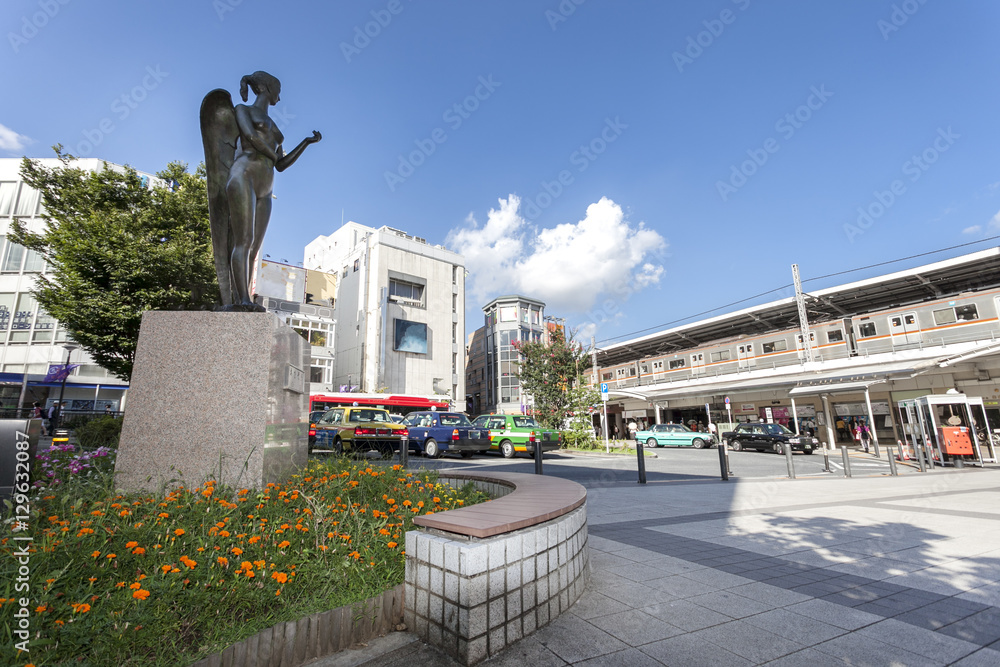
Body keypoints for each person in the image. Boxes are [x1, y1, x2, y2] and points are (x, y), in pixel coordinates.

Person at [201, 71, 322, 310]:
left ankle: (243, 298)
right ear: (266, 88)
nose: (280, 96)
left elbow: (281, 164)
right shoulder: (242, 110)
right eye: (278, 91)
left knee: (254, 248)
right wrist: (273, 155)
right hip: (243, 175)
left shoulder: (275, 128)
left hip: (266, 188)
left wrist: (306, 143)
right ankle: (242, 300)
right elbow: (250, 136)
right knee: (243, 241)